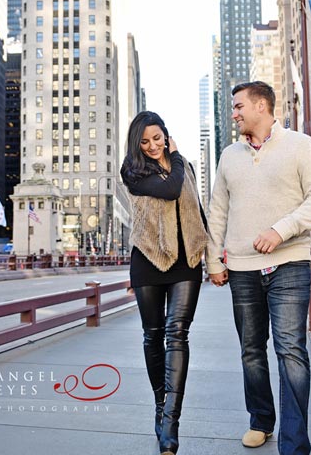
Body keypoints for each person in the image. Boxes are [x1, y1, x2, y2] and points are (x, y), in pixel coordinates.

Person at [206, 81, 311, 454]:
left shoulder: (301, 146)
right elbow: (217, 212)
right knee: (251, 349)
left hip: (290, 262)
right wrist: (214, 259)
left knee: (290, 349)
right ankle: (261, 420)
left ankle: (294, 444)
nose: (234, 112)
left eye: (239, 106)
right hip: (242, 268)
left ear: (261, 106)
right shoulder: (229, 155)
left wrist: (281, 230)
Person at [120, 111, 208, 455]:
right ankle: (160, 405)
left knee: (177, 334)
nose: (153, 146)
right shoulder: (133, 170)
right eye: (145, 141)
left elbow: (195, 207)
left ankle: (170, 422)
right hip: (148, 260)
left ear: (166, 135)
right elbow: (171, 190)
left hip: (187, 260)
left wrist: (211, 254)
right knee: (152, 335)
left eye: (158, 138)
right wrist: (174, 156)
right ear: (136, 145)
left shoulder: (182, 163)